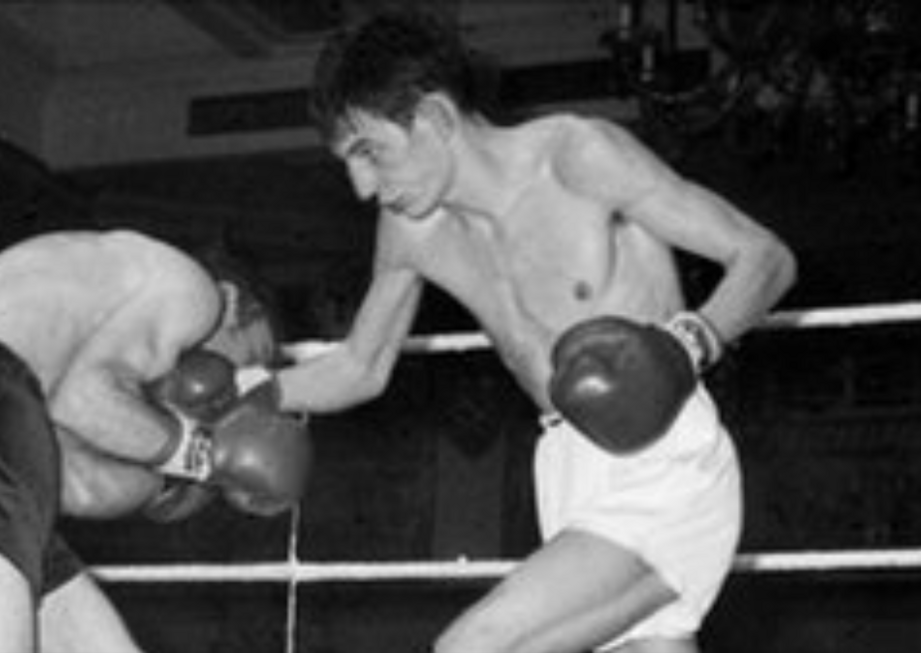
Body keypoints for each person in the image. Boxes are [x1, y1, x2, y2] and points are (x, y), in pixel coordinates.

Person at [272, 10, 797, 653]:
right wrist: (242, 394)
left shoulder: (578, 157)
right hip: (567, 471)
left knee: (474, 646)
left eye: (370, 153)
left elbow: (764, 258)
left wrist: (688, 344)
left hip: (663, 458)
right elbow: (358, 366)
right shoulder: (414, 230)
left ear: (435, 118)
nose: (362, 187)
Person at [0, 229, 311, 653]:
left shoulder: (49, 365)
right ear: (235, 303)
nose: (225, 393)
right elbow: (86, 400)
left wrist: (175, 482)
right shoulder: (195, 291)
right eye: (244, 359)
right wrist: (204, 456)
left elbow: (81, 487)